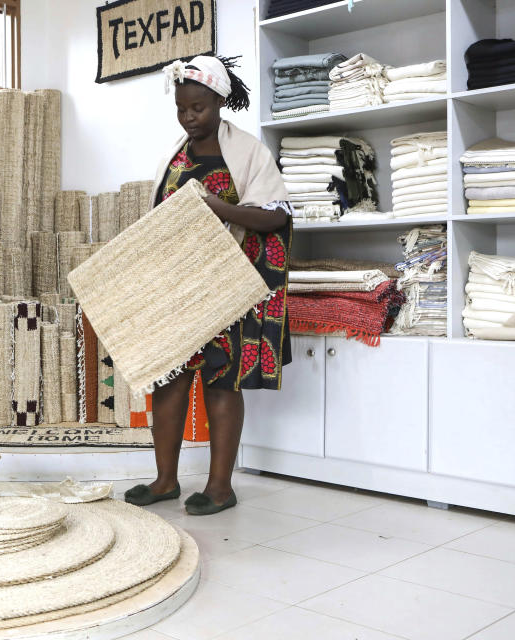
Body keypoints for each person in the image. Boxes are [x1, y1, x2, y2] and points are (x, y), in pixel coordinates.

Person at [124, 55, 293, 516]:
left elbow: (277, 215)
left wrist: (218, 207)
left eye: (198, 107)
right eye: (182, 108)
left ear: (219, 101)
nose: (189, 116)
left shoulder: (249, 152)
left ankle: (220, 487)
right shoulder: (173, 158)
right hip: (182, 287)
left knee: (222, 381)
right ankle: (165, 481)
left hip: (232, 288)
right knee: (170, 380)